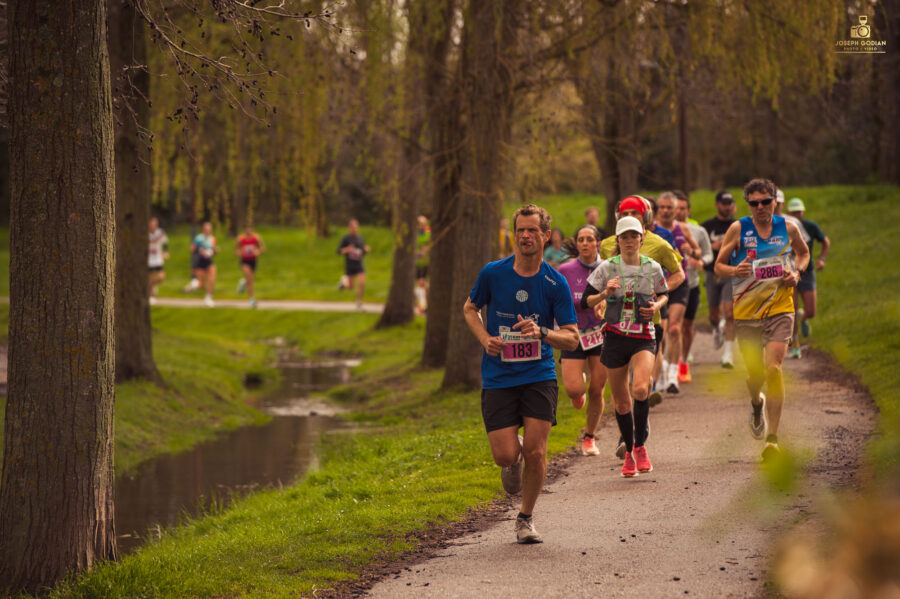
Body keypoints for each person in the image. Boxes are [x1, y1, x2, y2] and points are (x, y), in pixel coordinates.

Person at [463, 203, 579, 544]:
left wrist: (542, 333)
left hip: (538, 375)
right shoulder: (493, 273)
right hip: (499, 376)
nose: (525, 236)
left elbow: (572, 338)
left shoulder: (554, 282)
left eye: (532, 231)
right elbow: (470, 309)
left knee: (538, 452)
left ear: (546, 236)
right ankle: (512, 461)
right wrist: (485, 339)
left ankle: (525, 519)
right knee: (505, 455)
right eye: (520, 231)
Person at [714, 178, 809, 462]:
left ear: (774, 202)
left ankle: (773, 440)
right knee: (755, 377)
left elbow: (803, 254)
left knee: (774, 370)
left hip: (780, 308)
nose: (760, 207)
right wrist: (735, 270)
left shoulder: (788, 228)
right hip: (747, 312)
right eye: (754, 203)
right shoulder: (738, 228)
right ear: (748, 204)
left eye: (765, 202)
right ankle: (756, 402)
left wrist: (797, 274)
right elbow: (718, 265)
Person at [582, 216, 669, 477]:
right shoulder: (607, 268)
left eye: (634, 236)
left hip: (643, 335)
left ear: (641, 238)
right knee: (621, 403)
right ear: (617, 241)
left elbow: (665, 294)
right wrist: (605, 294)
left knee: (641, 389)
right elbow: (586, 301)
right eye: (624, 237)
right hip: (615, 337)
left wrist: (656, 306)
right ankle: (629, 451)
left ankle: (640, 446)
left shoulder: (652, 267)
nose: (629, 241)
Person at [599, 196, 683, 458]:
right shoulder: (607, 246)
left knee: (640, 386)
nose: (631, 216)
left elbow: (679, 273)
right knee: (620, 391)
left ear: (646, 217)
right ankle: (625, 437)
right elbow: (601, 278)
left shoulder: (658, 244)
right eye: (626, 212)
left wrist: (658, 299)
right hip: (615, 324)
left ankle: (639, 429)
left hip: (648, 323)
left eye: (636, 212)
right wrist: (600, 301)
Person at [558, 224, 607, 456]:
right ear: (576, 244)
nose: (585, 243)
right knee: (574, 390)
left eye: (590, 239)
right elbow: (557, 300)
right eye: (581, 240)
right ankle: (579, 384)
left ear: (598, 242)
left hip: (601, 333)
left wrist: (605, 305)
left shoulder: (609, 267)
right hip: (574, 334)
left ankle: (589, 437)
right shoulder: (565, 270)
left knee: (597, 389)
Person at [655, 191, 702, 393]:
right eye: (662, 207)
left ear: (676, 209)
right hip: (658, 284)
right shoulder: (652, 231)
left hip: (679, 281)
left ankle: (674, 373)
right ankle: (663, 367)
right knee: (662, 332)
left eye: (669, 207)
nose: (666, 211)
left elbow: (698, 251)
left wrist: (692, 253)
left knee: (675, 328)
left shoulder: (682, 228)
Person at [674, 194, 713, 383]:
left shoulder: (698, 231)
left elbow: (708, 255)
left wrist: (700, 261)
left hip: (692, 284)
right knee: (671, 327)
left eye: (683, 208)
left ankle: (683, 362)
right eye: (677, 207)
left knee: (687, 326)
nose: (679, 211)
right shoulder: (664, 231)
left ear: (688, 211)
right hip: (673, 285)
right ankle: (669, 365)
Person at [786, 198, 830, 358]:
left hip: (807, 271)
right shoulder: (785, 226)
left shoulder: (810, 226)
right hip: (789, 273)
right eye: (794, 212)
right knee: (792, 309)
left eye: (800, 211)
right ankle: (796, 345)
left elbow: (825, 242)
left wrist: (821, 259)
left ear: (803, 212)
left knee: (811, 311)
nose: (797, 214)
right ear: (789, 212)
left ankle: (804, 319)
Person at [702, 190, 738, 368]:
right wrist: (711, 246)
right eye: (723, 203)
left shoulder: (737, 226)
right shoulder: (707, 226)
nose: (727, 206)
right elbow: (699, 248)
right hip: (711, 273)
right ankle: (716, 328)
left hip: (730, 273)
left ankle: (729, 354)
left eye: (729, 203)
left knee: (730, 313)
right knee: (714, 315)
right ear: (717, 204)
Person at [337, 218, 370, 309]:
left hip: (359, 264)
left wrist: (366, 250)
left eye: (356, 227)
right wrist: (347, 249)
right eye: (352, 227)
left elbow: (361, 252)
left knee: (361, 283)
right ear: (349, 228)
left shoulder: (360, 238)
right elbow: (339, 252)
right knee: (350, 287)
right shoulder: (346, 239)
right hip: (350, 265)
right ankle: (344, 282)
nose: (354, 229)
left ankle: (359, 302)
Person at [235, 225, 265, 308]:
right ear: (244, 230)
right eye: (247, 229)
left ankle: (243, 282)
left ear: (252, 230)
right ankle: (252, 299)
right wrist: (239, 254)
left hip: (253, 260)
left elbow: (262, 248)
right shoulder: (240, 238)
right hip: (244, 261)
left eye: (250, 229)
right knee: (250, 279)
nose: (248, 231)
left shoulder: (256, 238)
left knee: (250, 279)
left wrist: (258, 251)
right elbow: (236, 250)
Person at [191, 221, 219, 307]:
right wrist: (199, 251)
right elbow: (192, 249)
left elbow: (213, 250)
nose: (208, 230)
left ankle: (208, 297)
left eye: (209, 229)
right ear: (203, 229)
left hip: (209, 260)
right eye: (206, 229)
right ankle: (194, 284)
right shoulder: (198, 238)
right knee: (202, 284)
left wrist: (215, 251)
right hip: (200, 260)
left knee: (212, 278)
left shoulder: (212, 239)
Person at [148, 217, 169, 305]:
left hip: (157, 259)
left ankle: (153, 286)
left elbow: (165, 243)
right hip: (149, 259)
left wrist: (165, 252)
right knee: (150, 277)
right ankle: (151, 296)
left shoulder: (160, 232)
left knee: (161, 277)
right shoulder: (145, 232)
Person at [415, 215, 431, 315]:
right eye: (420, 224)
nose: (422, 225)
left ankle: (424, 305)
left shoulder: (428, 233)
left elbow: (429, 245)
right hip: (418, 262)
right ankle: (422, 305)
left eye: (423, 223)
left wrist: (427, 248)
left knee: (424, 285)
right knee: (420, 284)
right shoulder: (415, 234)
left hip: (426, 262)